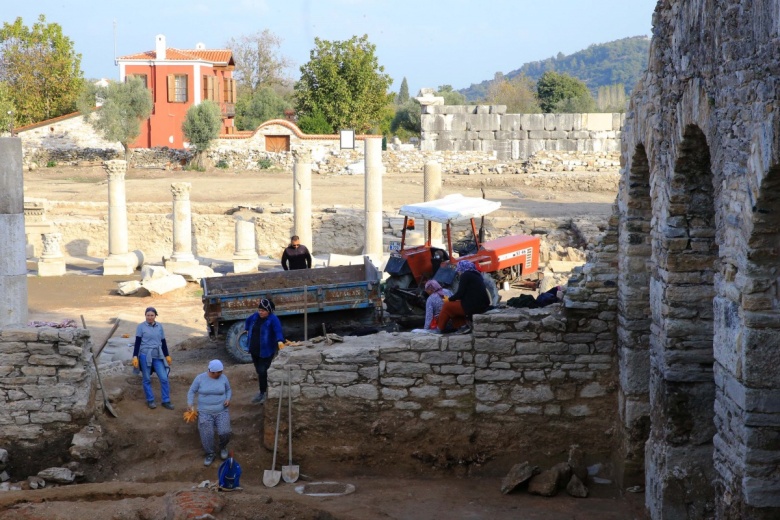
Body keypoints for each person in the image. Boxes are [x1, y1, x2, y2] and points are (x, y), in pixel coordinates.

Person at [187, 359, 232, 466]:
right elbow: (192, 391)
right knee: (207, 434)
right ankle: (210, 453)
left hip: (222, 411)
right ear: (212, 372)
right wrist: (190, 403)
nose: (221, 374)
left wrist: (228, 399)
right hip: (204, 412)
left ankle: (223, 447)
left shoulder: (223, 378)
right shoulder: (200, 378)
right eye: (219, 372)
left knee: (225, 432)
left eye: (221, 371)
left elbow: (228, 390)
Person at [132, 307, 174, 410]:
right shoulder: (141, 327)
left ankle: (166, 401)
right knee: (146, 379)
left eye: (152, 315)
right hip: (145, 355)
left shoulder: (159, 326)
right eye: (148, 315)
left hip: (157, 355)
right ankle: (150, 400)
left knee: (164, 378)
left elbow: (163, 341)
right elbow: (137, 342)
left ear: (155, 316)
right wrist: (135, 356)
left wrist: (167, 355)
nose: (150, 317)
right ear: (145, 316)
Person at [244, 298, 285, 404]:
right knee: (259, 371)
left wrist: (280, 341)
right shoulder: (255, 316)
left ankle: (263, 393)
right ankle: (265, 390)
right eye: (259, 310)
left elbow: (278, 331)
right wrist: (247, 328)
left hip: (266, 351)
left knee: (263, 371)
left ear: (269, 311)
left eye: (262, 310)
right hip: (254, 349)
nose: (260, 312)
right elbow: (248, 321)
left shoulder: (273, 319)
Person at [436, 260, 491, 334]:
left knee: (447, 306)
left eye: (458, 270)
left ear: (462, 268)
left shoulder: (465, 275)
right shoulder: (476, 274)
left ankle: (439, 329)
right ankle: (462, 327)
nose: (458, 272)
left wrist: (448, 299)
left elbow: (460, 293)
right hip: (482, 304)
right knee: (453, 307)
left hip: (475, 306)